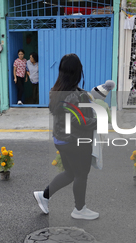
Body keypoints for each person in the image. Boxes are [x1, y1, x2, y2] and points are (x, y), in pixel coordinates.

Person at [33, 53, 99, 220]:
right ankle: (79, 209)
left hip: (61, 139)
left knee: (70, 173)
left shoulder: (57, 90)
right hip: (74, 141)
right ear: (77, 71)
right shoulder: (74, 95)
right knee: (81, 174)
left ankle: (44, 195)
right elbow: (80, 120)